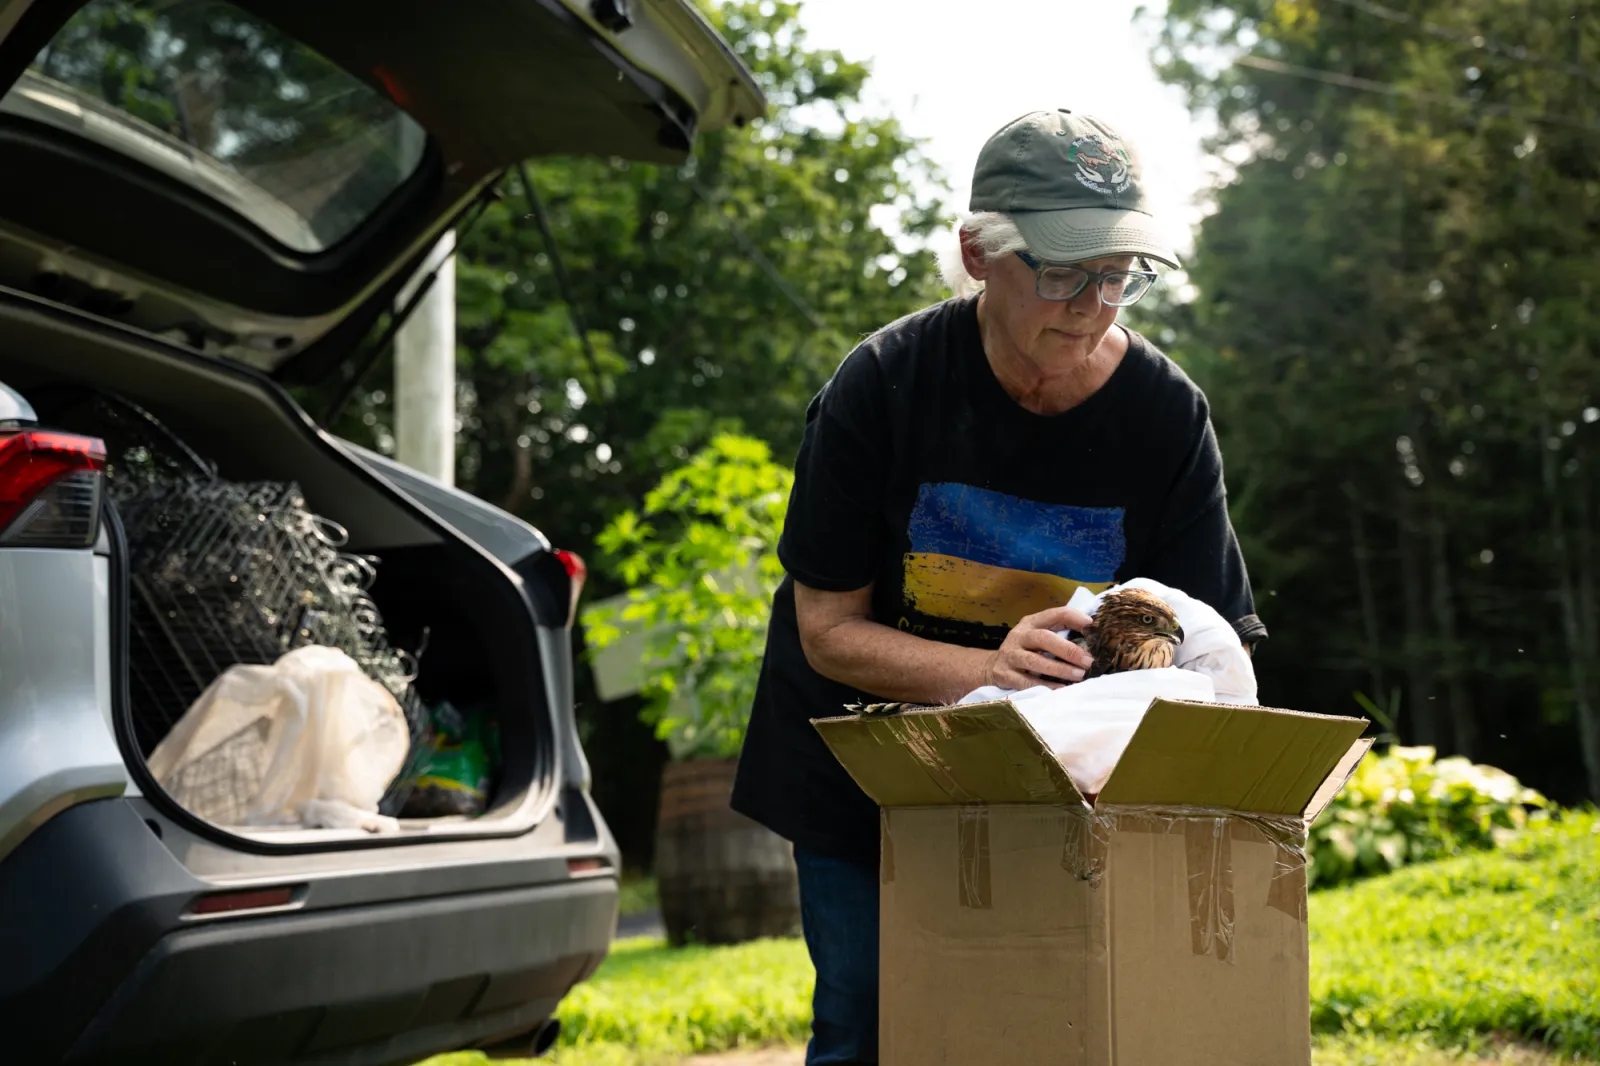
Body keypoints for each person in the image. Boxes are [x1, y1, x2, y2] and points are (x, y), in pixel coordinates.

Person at [728, 108, 1267, 1065]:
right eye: (1064, 273)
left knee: (1035, 1022)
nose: (1095, 305)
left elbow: (1212, 640)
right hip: (864, 763)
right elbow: (826, 630)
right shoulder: (881, 386)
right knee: (866, 1022)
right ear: (979, 254)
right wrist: (992, 664)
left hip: (1057, 773)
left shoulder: (1166, 415)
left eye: (1118, 275)